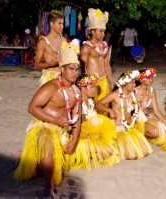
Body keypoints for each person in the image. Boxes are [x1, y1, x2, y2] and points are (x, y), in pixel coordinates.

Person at [13, 39, 82, 198]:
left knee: (64, 165)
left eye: (77, 69)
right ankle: (47, 188)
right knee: (48, 150)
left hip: (62, 132)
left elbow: (78, 117)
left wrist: (75, 139)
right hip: (44, 127)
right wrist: (56, 121)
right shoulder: (51, 87)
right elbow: (32, 108)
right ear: (62, 69)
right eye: (71, 69)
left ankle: (24, 157)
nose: (74, 73)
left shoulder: (77, 92)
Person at [96, 70, 153, 160]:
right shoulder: (115, 95)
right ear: (124, 84)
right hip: (119, 127)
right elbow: (98, 104)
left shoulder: (132, 94)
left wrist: (139, 105)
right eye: (132, 83)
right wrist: (109, 110)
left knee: (143, 151)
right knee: (132, 155)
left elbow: (134, 107)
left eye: (134, 82)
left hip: (130, 126)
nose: (135, 85)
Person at [74, 73, 120, 170]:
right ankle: (84, 152)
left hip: (93, 134)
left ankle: (92, 151)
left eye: (94, 87)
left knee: (115, 145)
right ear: (82, 88)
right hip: (82, 137)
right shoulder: (78, 103)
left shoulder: (90, 101)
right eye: (91, 87)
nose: (94, 89)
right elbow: (78, 126)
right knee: (109, 152)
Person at [80, 8, 113, 112]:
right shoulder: (86, 47)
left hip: (103, 80)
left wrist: (110, 81)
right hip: (91, 81)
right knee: (92, 108)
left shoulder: (104, 46)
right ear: (93, 32)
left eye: (104, 31)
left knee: (104, 107)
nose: (103, 34)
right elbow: (82, 67)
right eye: (100, 31)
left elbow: (107, 65)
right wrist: (85, 85)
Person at [135, 68, 166, 151]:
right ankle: (139, 133)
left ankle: (145, 131)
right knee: (155, 132)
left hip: (149, 116)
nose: (151, 80)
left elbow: (156, 110)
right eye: (148, 78)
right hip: (136, 119)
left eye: (151, 78)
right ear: (141, 80)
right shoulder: (134, 91)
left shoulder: (151, 91)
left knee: (163, 129)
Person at [34, 10, 65, 86]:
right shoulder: (43, 42)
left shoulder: (63, 40)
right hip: (49, 78)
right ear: (51, 24)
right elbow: (37, 65)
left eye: (62, 24)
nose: (62, 27)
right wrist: (50, 64)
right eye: (59, 24)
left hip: (63, 77)